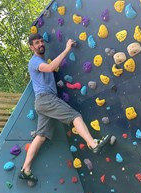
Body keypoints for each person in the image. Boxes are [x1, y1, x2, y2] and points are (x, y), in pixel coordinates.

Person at [19, 33, 109, 183]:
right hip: (46, 99)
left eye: (41, 41)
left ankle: (25, 170)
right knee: (75, 116)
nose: (40, 44)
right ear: (31, 47)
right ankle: (93, 144)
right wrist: (67, 49)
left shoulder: (39, 60)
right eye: (36, 43)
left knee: (41, 136)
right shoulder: (34, 62)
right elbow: (50, 67)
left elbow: (51, 66)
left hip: (43, 103)